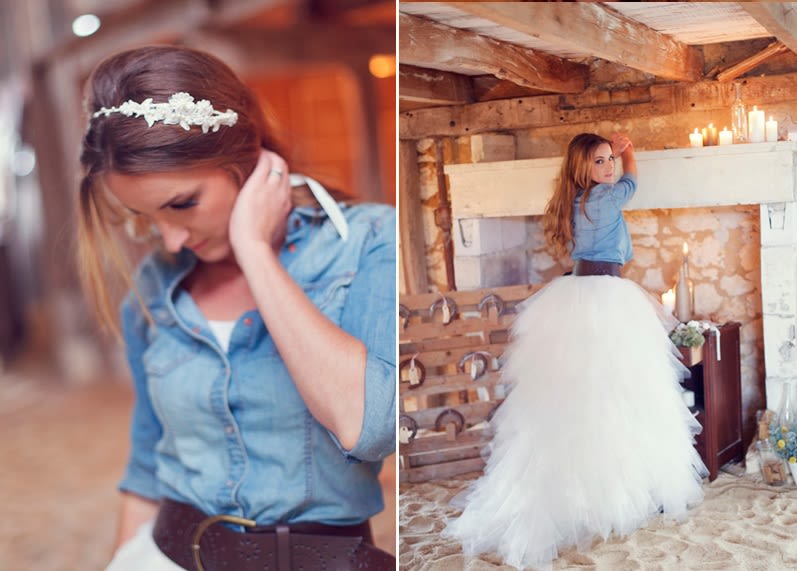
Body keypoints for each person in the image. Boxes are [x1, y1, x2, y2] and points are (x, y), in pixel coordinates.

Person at [77, 45, 396, 570]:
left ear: (243, 163)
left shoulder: (368, 241)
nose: (171, 240)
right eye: (145, 216)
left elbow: (366, 424)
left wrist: (255, 252)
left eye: (182, 204)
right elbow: (147, 463)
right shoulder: (156, 281)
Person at [443, 133, 707, 570]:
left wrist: (614, 154)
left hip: (578, 290)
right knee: (618, 389)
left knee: (584, 393)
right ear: (584, 169)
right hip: (606, 294)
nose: (609, 168)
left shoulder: (572, 200)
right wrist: (628, 150)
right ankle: (611, 493)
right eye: (600, 161)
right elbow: (634, 180)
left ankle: (593, 489)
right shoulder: (604, 196)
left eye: (609, 160)